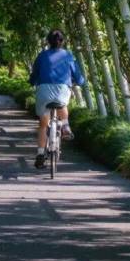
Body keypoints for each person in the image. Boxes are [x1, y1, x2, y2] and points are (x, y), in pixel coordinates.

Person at [29, 28, 85, 168]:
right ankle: (65, 126)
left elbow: (34, 75)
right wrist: (80, 82)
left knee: (43, 125)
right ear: (62, 41)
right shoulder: (68, 55)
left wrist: (32, 81)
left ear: (48, 42)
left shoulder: (41, 56)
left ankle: (40, 154)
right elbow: (77, 76)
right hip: (61, 90)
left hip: (43, 91)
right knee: (62, 103)